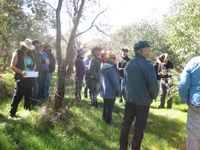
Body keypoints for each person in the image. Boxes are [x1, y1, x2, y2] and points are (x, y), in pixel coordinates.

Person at [119, 40, 159, 150]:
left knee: (125, 125)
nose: (150, 50)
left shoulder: (129, 63)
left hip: (130, 100)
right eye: (148, 48)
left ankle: (122, 148)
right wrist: (153, 97)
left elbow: (124, 82)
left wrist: (125, 95)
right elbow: (153, 86)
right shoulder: (148, 65)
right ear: (142, 50)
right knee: (139, 128)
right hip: (142, 102)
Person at [9, 38, 36, 118]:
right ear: (23, 46)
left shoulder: (30, 54)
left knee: (28, 93)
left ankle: (27, 108)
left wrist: (33, 70)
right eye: (28, 47)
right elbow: (12, 66)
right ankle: (12, 113)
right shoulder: (17, 53)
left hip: (30, 77)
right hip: (21, 77)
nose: (29, 49)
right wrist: (22, 72)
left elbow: (35, 64)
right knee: (18, 95)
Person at [179, 55, 200, 150]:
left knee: (193, 137)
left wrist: (185, 98)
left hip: (196, 103)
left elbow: (183, 83)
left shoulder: (194, 62)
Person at [100, 51, 121, 124]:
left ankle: (104, 119)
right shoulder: (111, 68)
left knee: (105, 105)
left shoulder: (102, 66)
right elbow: (115, 81)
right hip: (111, 90)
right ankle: (108, 122)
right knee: (110, 107)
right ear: (109, 59)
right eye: (114, 58)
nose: (115, 60)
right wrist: (118, 91)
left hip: (104, 90)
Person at [31, 40, 42, 106]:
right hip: (33, 71)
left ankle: (34, 100)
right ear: (33, 45)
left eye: (38, 44)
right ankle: (34, 102)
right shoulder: (31, 52)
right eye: (36, 44)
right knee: (35, 87)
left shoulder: (38, 53)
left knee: (36, 86)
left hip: (39, 71)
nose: (38, 45)